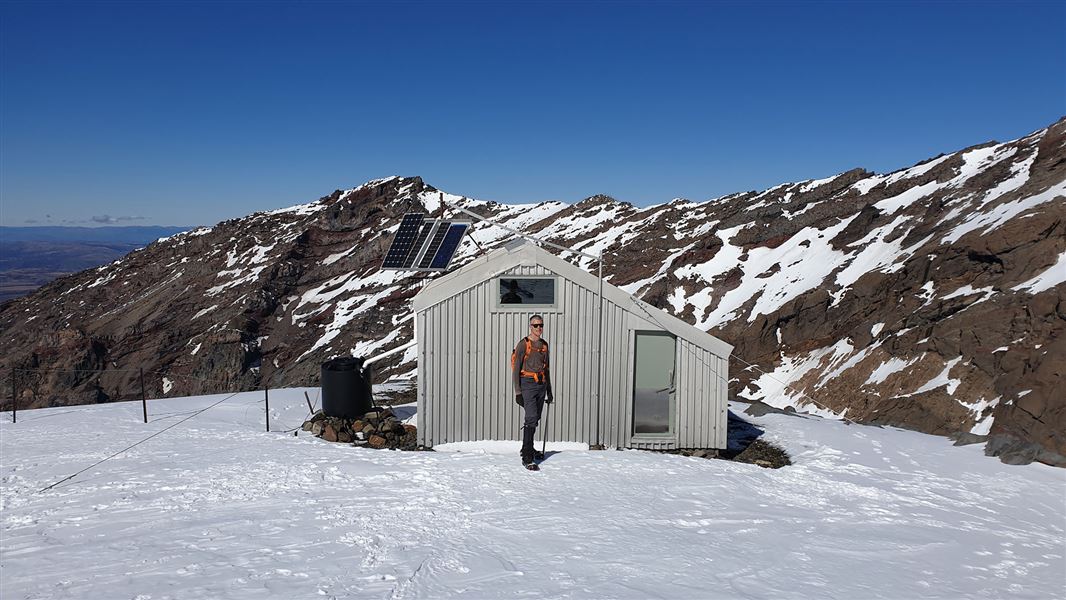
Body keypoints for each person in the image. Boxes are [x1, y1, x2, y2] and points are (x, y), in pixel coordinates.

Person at [512, 314, 554, 469]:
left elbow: (547, 369)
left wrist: (549, 390)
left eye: (541, 325)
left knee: (535, 418)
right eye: (536, 325)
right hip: (527, 384)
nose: (539, 328)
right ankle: (528, 457)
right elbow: (516, 369)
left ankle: (526, 448)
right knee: (530, 418)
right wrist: (518, 392)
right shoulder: (523, 344)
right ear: (530, 326)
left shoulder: (544, 345)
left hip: (541, 385)